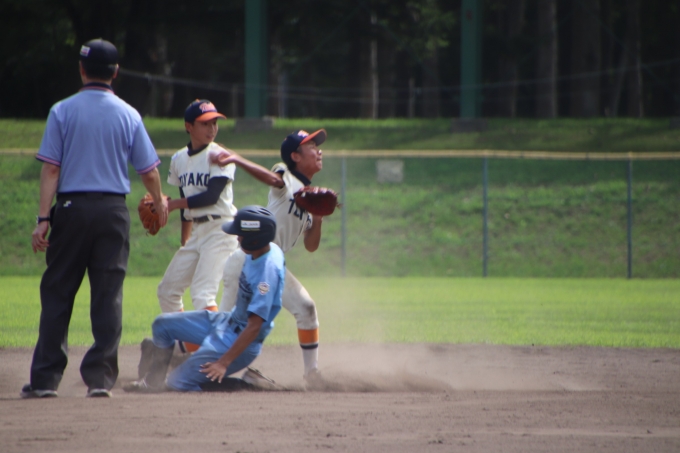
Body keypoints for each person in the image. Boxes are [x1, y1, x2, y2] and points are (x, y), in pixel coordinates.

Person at [22, 38, 168, 399]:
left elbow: (51, 169)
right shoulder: (128, 114)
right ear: (115, 73)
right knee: (108, 295)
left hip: (71, 209)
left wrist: (44, 218)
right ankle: (100, 379)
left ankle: (45, 380)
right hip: (113, 212)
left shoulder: (62, 111)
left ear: (81, 70)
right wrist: (159, 202)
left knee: (58, 293)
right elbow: (149, 171)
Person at [124, 206, 284, 392]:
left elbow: (255, 326)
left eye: (241, 234)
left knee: (177, 383)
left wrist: (223, 363)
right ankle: (153, 382)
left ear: (255, 239)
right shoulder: (261, 250)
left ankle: (250, 384)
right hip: (226, 321)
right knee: (162, 325)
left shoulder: (267, 273)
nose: (237, 238)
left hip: (240, 340)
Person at [213, 129, 327, 383]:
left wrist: (318, 218)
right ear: (295, 156)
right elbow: (272, 179)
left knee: (306, 308)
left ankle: (312, 374)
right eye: (311, 146)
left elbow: (311, 246)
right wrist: (236, 158)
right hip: (246, 259)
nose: (319, 151)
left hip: (271, 265)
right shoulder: (285, 175)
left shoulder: (311, 197)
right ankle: (178, 353)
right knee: (224, 324)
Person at [155, 100, 238, 354]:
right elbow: (187, 204)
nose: (212, 128)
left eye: (214, 122)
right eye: (205, 123)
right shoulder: (179, 159)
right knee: (168, 291)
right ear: (188, 126)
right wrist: (185, 240)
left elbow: (210, 197)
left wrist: (172, 204)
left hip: (221, 229)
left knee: (203, 294)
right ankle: (188, 351)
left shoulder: (220, 156)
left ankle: (215, 355)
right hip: (198, 233)